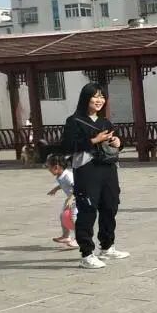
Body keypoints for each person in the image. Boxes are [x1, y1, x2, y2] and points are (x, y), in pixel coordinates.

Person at [61, 83, 129, 269]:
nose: (99, 100)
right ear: (86, 98)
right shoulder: (74, 121)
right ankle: (87, 254)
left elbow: (116, 143)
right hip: (87, 170)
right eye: (95, 96)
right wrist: (94, 140)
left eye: (102, 97)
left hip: (108, 168)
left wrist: (118, 142)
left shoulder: (105, 122)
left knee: (110, 206)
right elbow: (67, 146)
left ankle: (107, 247)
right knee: (88, 210)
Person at [46, 153, 77, 249]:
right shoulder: (60, 175)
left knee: (74, 218)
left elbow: (77, 187)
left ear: (56, 167)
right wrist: (55, 189)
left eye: (49, 167)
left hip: (78, 198)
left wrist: (71, 198)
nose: (48, 169)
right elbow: (63, 184)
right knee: (63, 216)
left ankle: (80, 238)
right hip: (70, 199)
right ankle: (66, 236)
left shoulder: (68, 176)